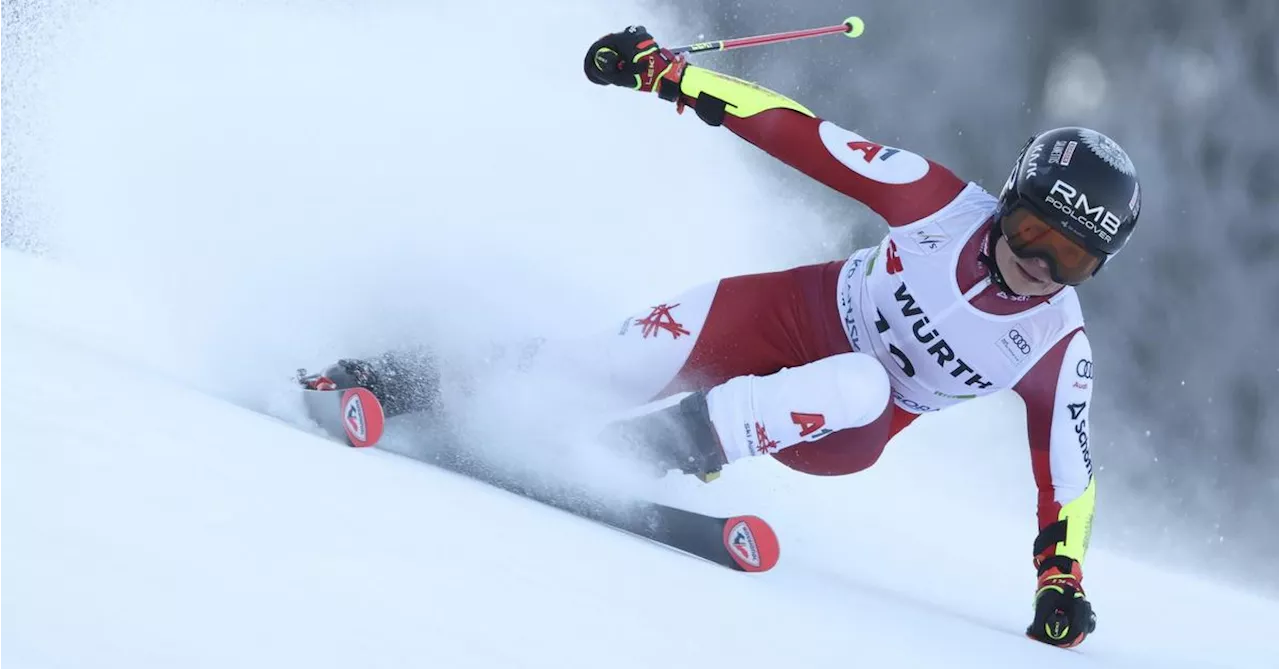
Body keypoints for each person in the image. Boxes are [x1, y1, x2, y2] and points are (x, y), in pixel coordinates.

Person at [303, 25, 1143, 648]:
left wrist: (1058, 582)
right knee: (600, 363)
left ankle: (647, 450)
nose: (1040, 263)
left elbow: (1067, 475)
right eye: (1035, 229)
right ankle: (395, 376)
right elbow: (799, 133)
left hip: (848, 425)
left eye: (1072, 258)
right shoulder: (932, 201)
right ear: (1007, 200)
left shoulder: (1056, 348)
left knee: (862, 384)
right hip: (791, 313)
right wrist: (668, 75)